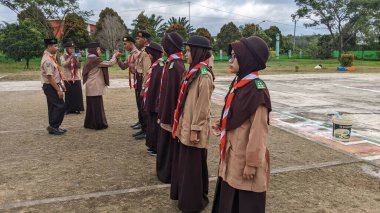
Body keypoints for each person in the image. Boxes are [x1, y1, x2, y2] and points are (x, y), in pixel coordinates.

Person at [211, 36, 272, 213]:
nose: (230, 60)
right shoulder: (239, 83)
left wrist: (252, 164)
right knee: (229, 194)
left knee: (244, 200)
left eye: (234, 56)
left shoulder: (257, 90)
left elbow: (258, 132)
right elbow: (237, 113)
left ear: (247, 59)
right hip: (233, 154)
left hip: (245, 160)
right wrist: (223, 123)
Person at [170, 35, 214, 212]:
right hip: (186, 125)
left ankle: (193, 201)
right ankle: (187, 196)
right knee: (187, 165)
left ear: (197, 52)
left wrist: (195, 130)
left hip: (193, 129)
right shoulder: (192, 72)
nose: (186, 54)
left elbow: (202, 107)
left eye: (188, 51)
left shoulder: (203, 76)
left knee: (192, 167)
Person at [156, 32, 186, 184]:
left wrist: (167, 115)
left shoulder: (176, 65)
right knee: (164, 145)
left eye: (164, 44)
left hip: (170, 115)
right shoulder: (171, 63)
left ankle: (167, 173)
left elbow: (174, 95)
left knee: (168, 146)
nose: (162, 47)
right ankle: (163, 171)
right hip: (165, 112)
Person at [82, 42, 116, 130]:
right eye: (98, 49)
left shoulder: (89, 58)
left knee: (91, 106)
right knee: (97, 106)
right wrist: (115, 55)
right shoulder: (95, 59)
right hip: (95, 85)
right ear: (94, 50)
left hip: (91, 85)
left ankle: (90, 123)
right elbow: (110, 63)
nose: (100, 51)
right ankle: (98, 124)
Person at [41, 38, 67, 135]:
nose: (57, 48)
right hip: (50, 86)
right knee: (60, 106)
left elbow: (55, 74)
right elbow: (50, 77)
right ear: (49, 46)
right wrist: (58, 90)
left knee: (53, 106)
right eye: (55, 46)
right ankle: (54, 126)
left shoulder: (51, 57)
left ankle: (54, 126)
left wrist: (60, 84)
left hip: (53, 85)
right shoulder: (47, 60)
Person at [143, 42, 164, 156]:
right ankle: (151, 145)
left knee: (155, 126)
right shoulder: (155, 66)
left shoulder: (160, 66)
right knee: (151, 124)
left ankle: (155, 147)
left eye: (150, 54)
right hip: (151, 100)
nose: (149, 56)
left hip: (156, 102)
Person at [115, 36, 141, 129]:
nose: (124, 46)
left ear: (131, 43)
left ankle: (143, 122)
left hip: (140, 80)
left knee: (141, 102)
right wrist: (118, 59)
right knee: (138, 101)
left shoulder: (137, 54)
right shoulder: (130, 55)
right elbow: (123, 66)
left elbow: (140, 69)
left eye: (125, 44)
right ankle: (140, 120)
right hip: (136, 80)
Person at [133, 30, 152, 140]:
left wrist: (144, 87)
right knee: (141, 105)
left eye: (139, 38)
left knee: (144, 106)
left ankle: (146, 130)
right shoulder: (142, 51)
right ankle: (143, 128)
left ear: (145, 40)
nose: (137, 40)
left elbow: (146, 71)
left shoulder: (146, 52)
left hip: (143, 80)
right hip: (139, 79)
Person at [60, 41, 84, 114]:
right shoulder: (63, 56)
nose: (72, 49)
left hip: (76, 77)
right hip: (68, 77)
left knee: (77, 93)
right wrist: (70, 58)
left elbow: (79, 66)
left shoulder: (76, 55)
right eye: (70, 48)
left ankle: (77, 108)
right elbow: (64, 65)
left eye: (73, 48)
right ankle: (68, 109)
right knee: (69, 94)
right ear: (67, 49)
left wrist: (79, 60)